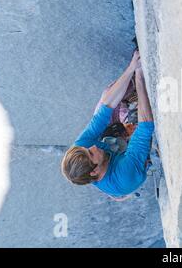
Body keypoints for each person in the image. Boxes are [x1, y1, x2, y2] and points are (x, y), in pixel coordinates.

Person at [60, 50, 154, 198]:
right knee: (136, 118)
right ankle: (136, 89)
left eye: (87, 149)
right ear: (94, 172)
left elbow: (104, 109)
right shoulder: (123, 178)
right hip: (133, 158)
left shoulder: (81, 148)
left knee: (108, 94)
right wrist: (140, 76)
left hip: (114, 145)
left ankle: (133, 77)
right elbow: (146, 126)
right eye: (91, 153)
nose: (92, 146)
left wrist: (132, 68)